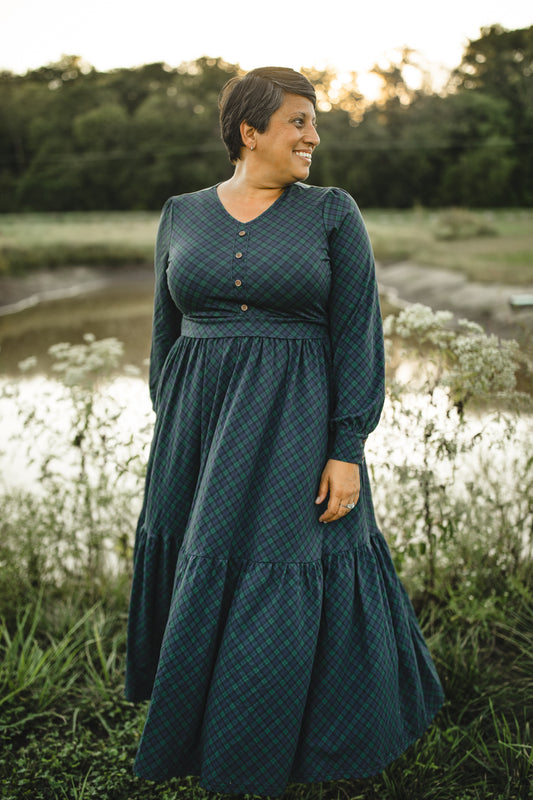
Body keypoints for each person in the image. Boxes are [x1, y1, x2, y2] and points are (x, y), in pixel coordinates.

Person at [125, 66, 444, 797]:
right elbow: (162, 334)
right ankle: (201, 728)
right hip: (196, 434)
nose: (313, 135)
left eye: (312, 121)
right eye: (298, 121)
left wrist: (345, 446)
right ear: (250, 131)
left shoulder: (332, 212)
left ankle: (300, 744)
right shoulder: (180, 213)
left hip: (297, 426)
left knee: (290, 567)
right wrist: (172, 427)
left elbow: (357, 336)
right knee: (206, 564)